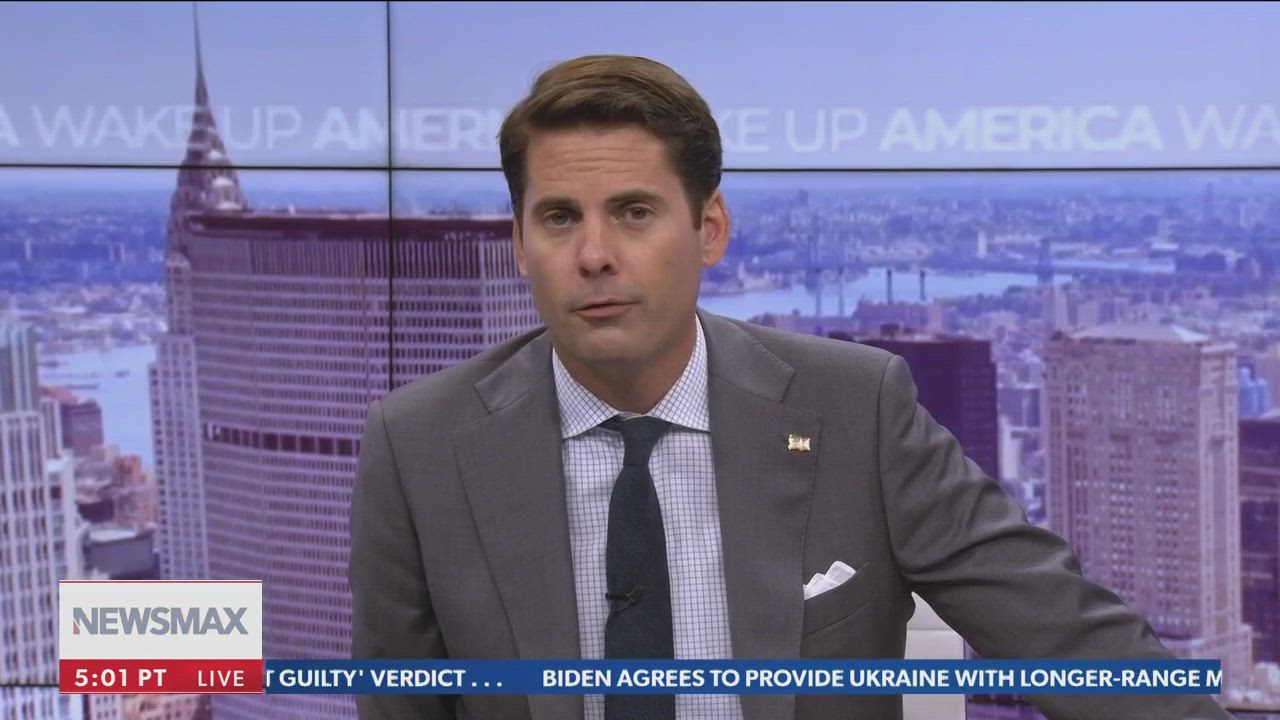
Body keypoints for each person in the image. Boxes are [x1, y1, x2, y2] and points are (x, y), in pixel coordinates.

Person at [349, 55, 1230, 720]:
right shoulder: (419, 447)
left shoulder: (856, 408)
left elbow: (1072, 641)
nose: (594, 255)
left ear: (710, 228)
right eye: (557, 218)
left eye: (634, 212)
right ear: (518, 245)